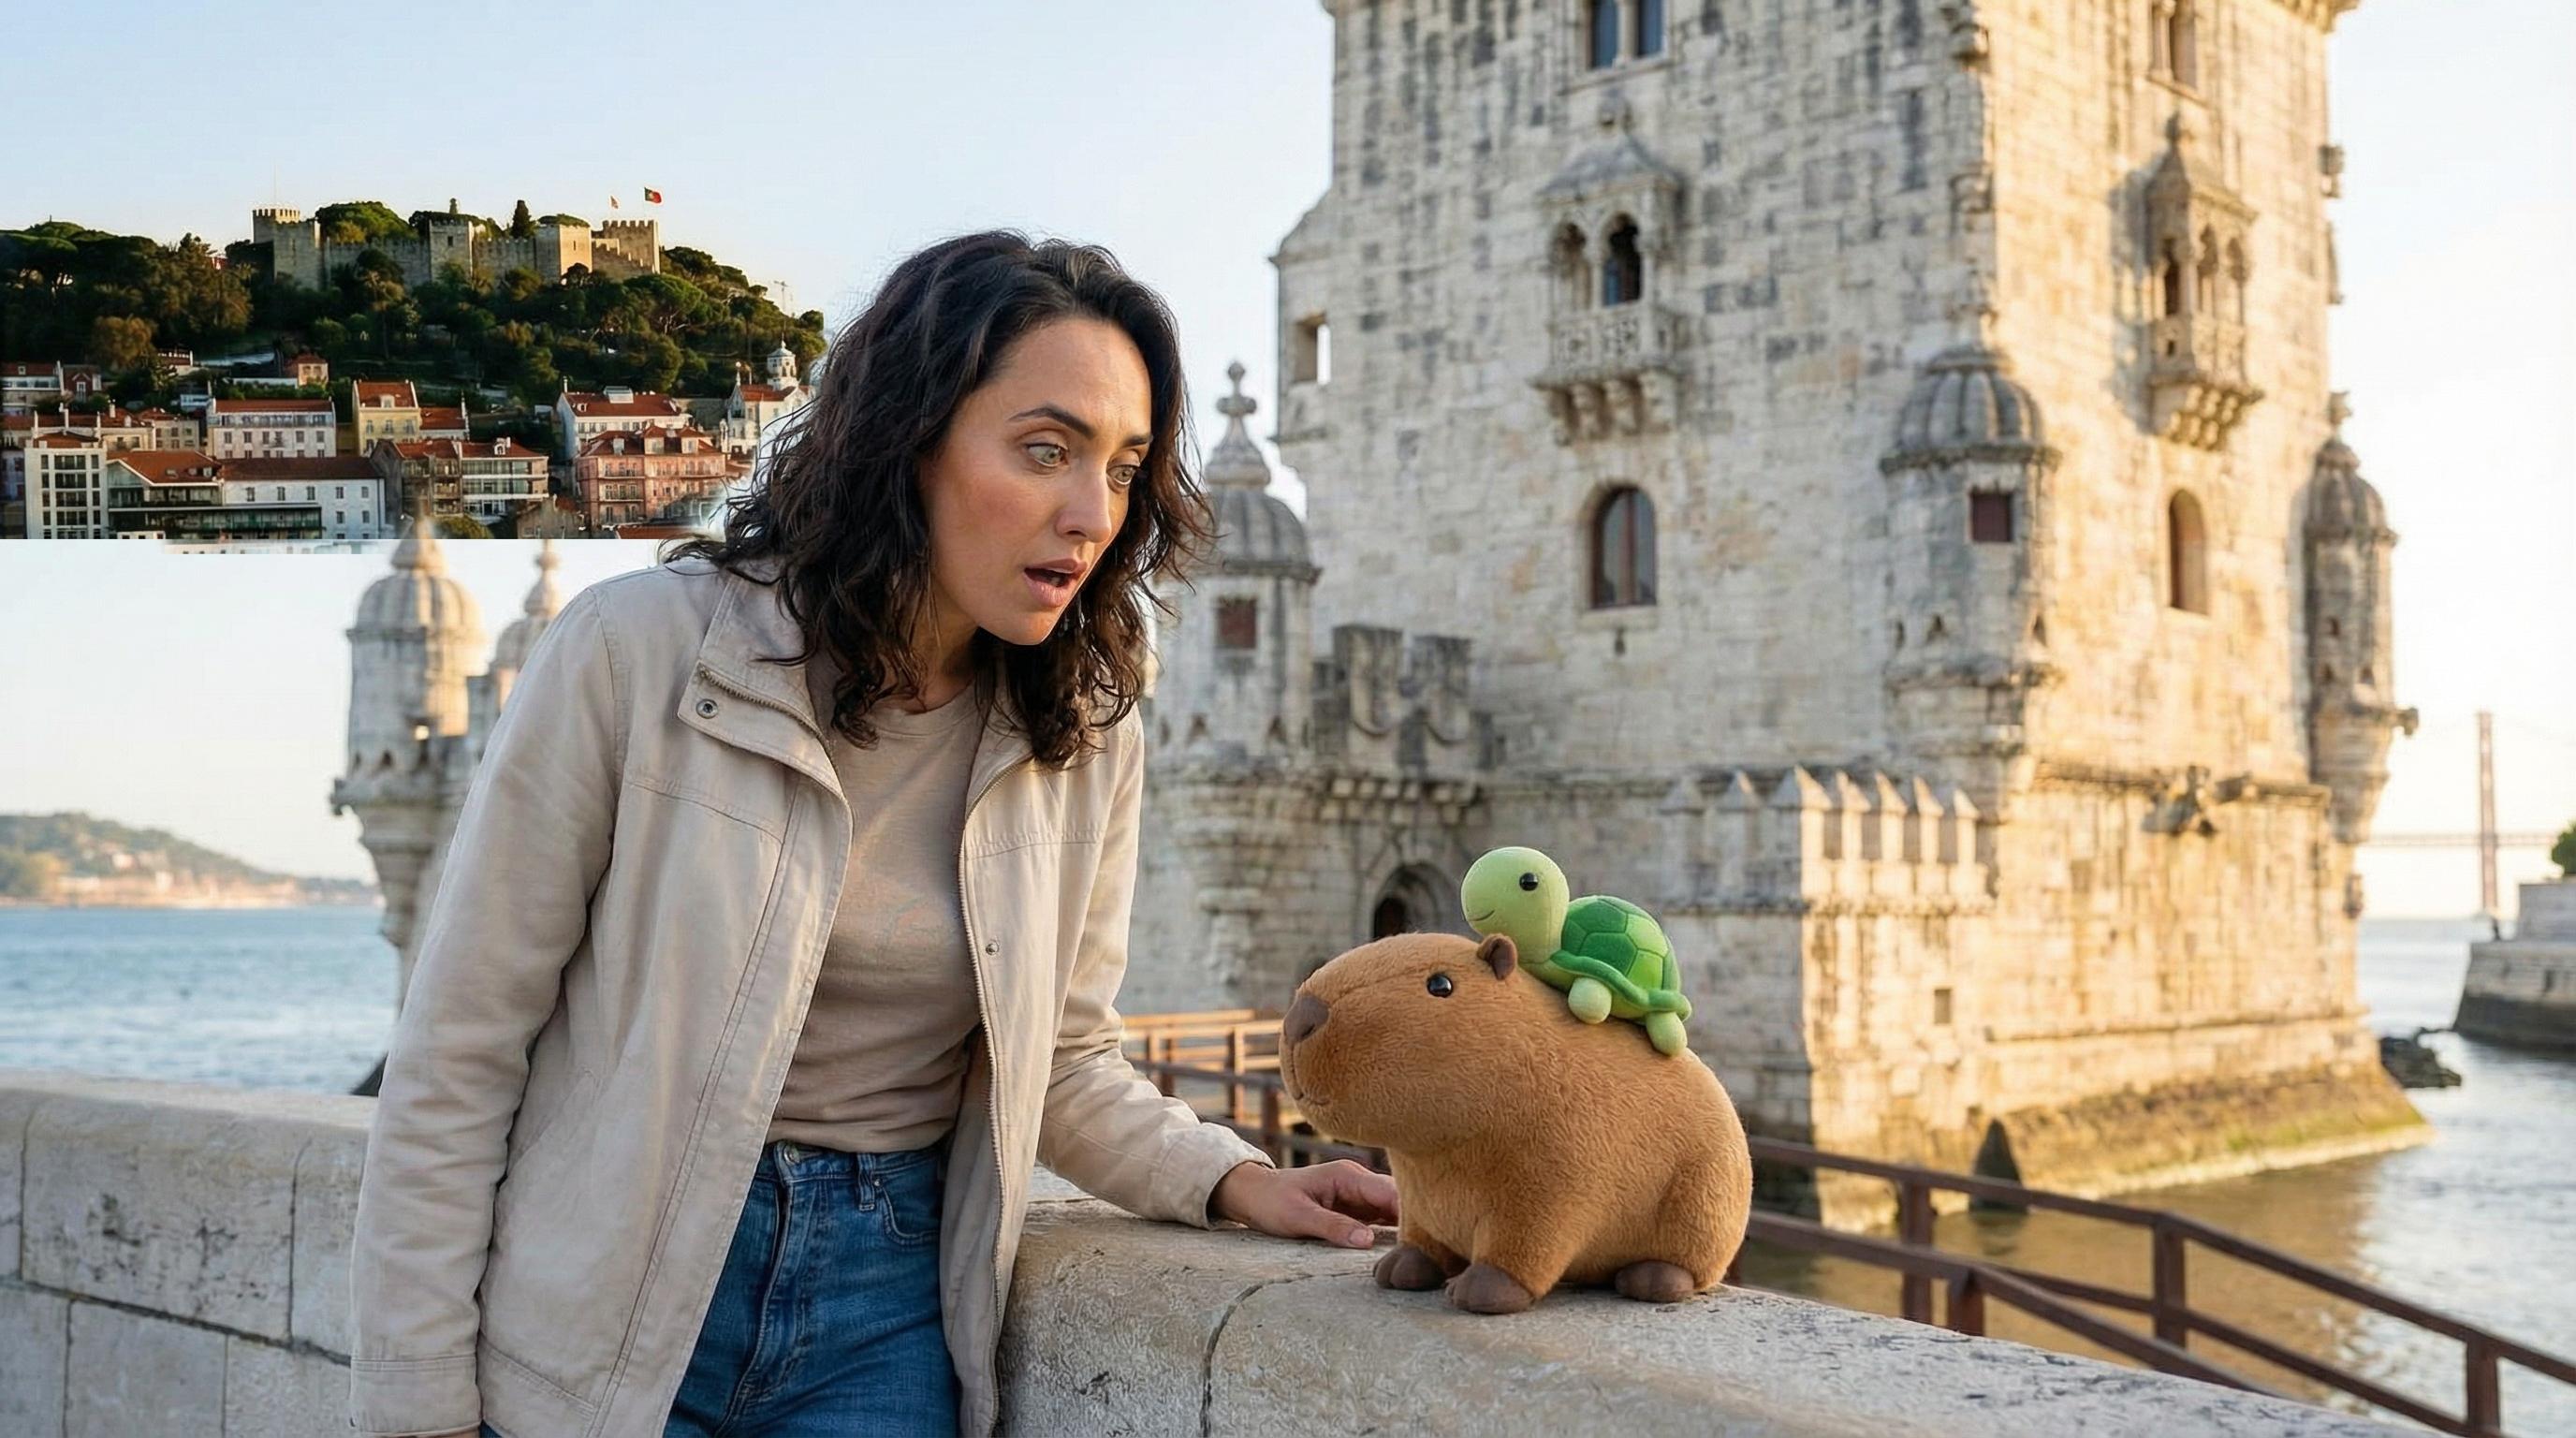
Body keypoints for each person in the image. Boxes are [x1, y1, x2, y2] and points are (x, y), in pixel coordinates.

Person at [347, 231, 1398, 1438]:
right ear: (908, 437)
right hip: (614, 1287)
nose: (1088, 514)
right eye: (1044, 451)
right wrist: (416, 1401)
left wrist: (1229, 1175)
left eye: (1122, 469)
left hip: (890, 1298)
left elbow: (1057, 1061)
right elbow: (460, 1048)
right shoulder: (633, 654)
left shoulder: (1081, 733)